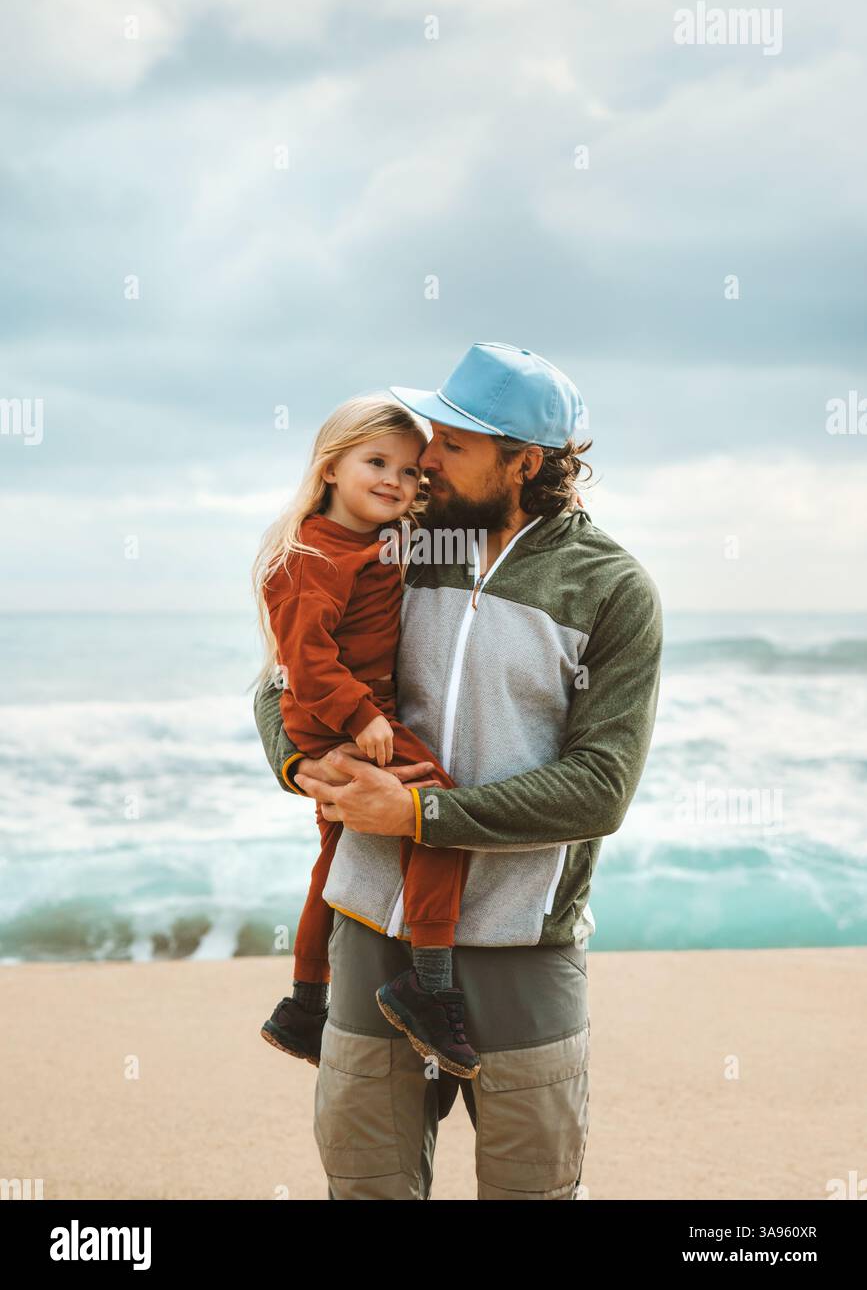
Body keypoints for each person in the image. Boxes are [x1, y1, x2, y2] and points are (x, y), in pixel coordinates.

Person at [254, 341, 664, 1200]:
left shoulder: (611, 588)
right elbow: (284, 675)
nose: (425, 460)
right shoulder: (398, 545)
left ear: (527, 462)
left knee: (532, 1191)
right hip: (370, 925)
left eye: (455, 445)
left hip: (523, 939)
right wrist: (303, 766)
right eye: (429, 437)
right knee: (365, 1187)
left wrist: (417, 816)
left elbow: (601, 786)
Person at [253, 396, 483, 1077]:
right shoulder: (311, 556)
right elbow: (307, 663)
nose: (395, 481)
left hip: (343, 714)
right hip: (341, 716)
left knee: (334, 861)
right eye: (375, 463)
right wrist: (362, 718)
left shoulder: (374, 540)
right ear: (329, 468)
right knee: (435, 809)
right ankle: (429, 984)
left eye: (411, 472)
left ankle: (303, 1006)